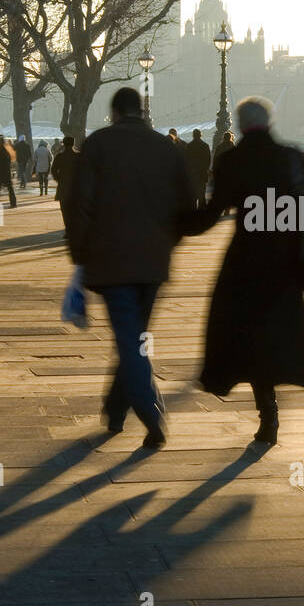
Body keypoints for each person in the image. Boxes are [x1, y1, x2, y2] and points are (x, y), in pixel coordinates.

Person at [184, 97, 304, 445]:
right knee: (279, 332)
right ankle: (275, 396)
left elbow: (212, 212)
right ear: (269, 121)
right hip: (286, 262)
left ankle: (267, 408)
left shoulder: (232, 160)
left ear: (238, 124)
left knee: (245, 335)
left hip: (246, 262)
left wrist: (174, 225)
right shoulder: (291, 157)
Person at [63, 87, 193, 448]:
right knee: (132, 336)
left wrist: (80, 256)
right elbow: (186, 203)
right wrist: (167, 242)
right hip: (153, 263)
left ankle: (151, 418)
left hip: (111, 260)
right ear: (141, 112)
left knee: (130, 339)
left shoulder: (98, 145)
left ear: (115, 113)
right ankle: (116, 408)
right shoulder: (166, 147)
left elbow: (79, 205)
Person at [185, 128, 212, 208]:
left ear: (193, 135)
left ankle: (193, 208)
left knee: (193, 192)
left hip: (193, 173)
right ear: (200, 135)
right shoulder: (205, 146)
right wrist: (206, 169)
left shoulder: (189, 146)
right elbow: (208, 159)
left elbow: (186, 159)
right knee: (202, 193)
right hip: (202, 173)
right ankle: (202, 209)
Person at [0, 134, 17, 207]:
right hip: (7, 171)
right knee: (10, 188)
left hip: (1, 172)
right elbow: (12, 158)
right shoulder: (7, 149)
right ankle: (13, 203)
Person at [52, 135, 78, 203]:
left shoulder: (59, 157)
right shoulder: (78, 156)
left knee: (64, 208)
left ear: (64, 144)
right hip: (75, 185)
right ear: (73, 144)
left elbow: (53, 170)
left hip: (63, 184)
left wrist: (58, 179)